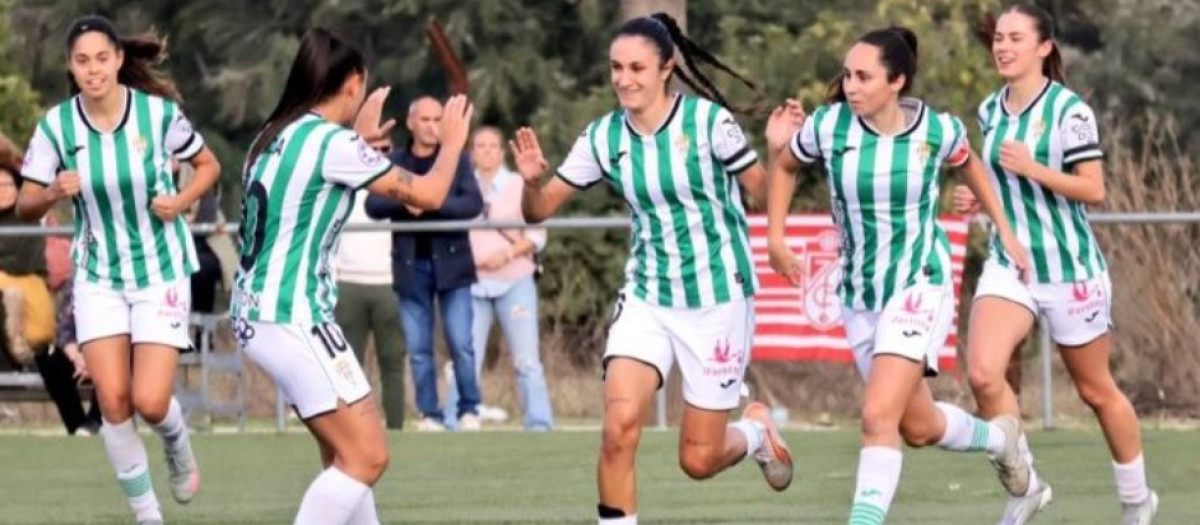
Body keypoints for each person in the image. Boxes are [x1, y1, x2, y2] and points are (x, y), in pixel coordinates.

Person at [510, 13, 792, 524]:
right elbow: (540, 209)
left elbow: (764, 191)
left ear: (666, 68)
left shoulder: (709, 123)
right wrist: (532, 183)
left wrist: (777, 151)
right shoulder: (603, 137)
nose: (624, 78)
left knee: (698, 461)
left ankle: (754, 433)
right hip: (647, 298)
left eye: (637, 67)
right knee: (619, 426)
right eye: (616, 67)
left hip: (717, 300)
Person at [764, 26, 1034, 524]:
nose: (850, 85)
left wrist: (1006, 228)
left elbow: (970, 165)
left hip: (918, 284)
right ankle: (1001, 438)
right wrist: (776, 238)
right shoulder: (827, 127)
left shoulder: (937, 130)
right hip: (859, 294)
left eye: (864, 76)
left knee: (875, 416)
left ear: (897, 81)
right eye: (847, 75)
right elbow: (783, 167)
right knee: (918, 425)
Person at [230, 27, 472, 525]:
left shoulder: (272, 134)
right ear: (354, 81)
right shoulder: (331, 144)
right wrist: (452, 144)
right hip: (292, 315)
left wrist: (357, 139)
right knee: (368, 456)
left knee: (343, 457)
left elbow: (313, 180)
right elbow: (427, 196)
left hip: (264, 314)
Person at [16, 16, 219, 525]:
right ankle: (147, 516)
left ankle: (176, 440)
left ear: (119, 60)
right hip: (99, 275)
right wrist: (49, 192)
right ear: (71, 66)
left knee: (150, 401)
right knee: (112, 399)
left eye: (101, 59)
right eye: (82, 61)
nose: (93, 70)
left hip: (160, 269)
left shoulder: (157, 115)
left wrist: (181, 199)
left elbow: (209, 166)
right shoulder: (57, 126)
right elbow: (23, 204)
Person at [961, 4, 1157, 523]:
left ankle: (1138, 502)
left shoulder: (1070, 111)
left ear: (1044, 47)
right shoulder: (989, 109)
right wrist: (979, 197)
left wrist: (1035, 168)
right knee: (984, 374)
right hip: (1012, 262)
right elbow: (997, 178)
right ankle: (1025, 482)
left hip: (1070, 269)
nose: (1003, 47)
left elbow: (1094, 189)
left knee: (1096, 391)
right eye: (999, 38)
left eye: (1016, 38)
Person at [365, 96, 483, 432]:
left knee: (461, 342)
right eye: (426, 120)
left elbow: (471, 204)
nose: (432, 127)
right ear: (411, 122)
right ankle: (429, 414)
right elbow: (373, 204)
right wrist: (407, 199)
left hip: (453, 266)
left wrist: (429, 200)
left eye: (437, 120)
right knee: (418, 348)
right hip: (410, 265)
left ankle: (469, 409)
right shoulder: (396, 161)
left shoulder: (456, 160)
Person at [445, 126, 554, 431]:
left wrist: (506, 255)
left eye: (493, 146)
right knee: (465, 356)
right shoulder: (461, 186)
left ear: (502, 152)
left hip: (515, 279)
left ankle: (539, 424)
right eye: (480, 146)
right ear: (471, 152)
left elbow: (536, 235)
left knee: (526, 359)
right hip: (471, 282)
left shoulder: (520, 184)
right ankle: (454, 421)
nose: (487, 151)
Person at [334, 135, 408, 430]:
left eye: (384, 149)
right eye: (370, 148)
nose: (377, 154)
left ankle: (395, 426)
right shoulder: (343, 188)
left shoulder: (401, 187)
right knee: (347, 365)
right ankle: (351, 428)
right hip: (349, 283)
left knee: (393, 361)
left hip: (389, 284)